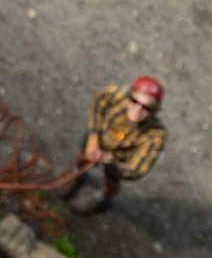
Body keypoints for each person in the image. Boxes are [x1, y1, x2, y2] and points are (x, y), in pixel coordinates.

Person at [67, 76, 167, 213]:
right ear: (129, 96)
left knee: (111, 180)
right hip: (101, 136)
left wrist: (112, 161)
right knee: (83, 156)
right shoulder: (114, 95)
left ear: (154, 111)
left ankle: (103, 197)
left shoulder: (155, 135)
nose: (138, 109)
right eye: (134, 101)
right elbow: (98, 104)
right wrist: (93, 135)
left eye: (146, 107)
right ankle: (75, 175)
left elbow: (137, 170)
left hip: (119, 159)